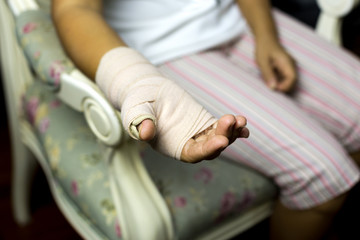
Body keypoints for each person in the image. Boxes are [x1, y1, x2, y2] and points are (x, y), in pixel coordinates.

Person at [52, 0, 360, 239]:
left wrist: (265, 36)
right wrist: (133, 80)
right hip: (160, 52)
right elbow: (74, 7)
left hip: (239, 18)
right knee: (325, 175)